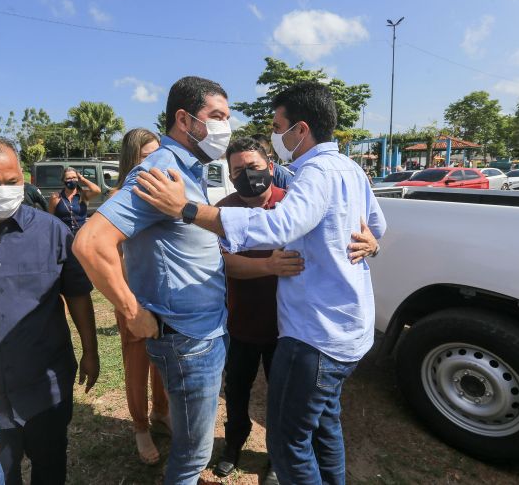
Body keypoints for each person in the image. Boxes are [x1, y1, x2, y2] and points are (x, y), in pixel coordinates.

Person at [131, 81, 385, 485]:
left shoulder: (315, 172)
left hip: (316, 334)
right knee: (323, 423)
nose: (274, 133)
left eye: (278, 125)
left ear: (300, 130)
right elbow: (378, 225)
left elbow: (280, 224)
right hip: (339, 328)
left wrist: (185, 208)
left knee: (288, 442)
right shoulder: (350, 168)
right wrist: (371, 243)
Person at [73, 76, 234, 485]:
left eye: (227, 117)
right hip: (187, 338)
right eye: (216, 117)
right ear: (184, 119)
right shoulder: (159, 170)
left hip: (202, 329)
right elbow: (91, 244)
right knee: (192, 452)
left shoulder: (187, 169)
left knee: (192, 442)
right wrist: (131, 309)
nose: (224, 127)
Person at [0, 134, 100, 485]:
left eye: (12, 181)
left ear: (24, 178)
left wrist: (91, 352)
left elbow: (77, 295)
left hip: (45, 387)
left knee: (50, 468)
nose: (3, 190)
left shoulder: (52, 232)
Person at [213, 137, 304, 485]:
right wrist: (270, 265)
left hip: (289, 328)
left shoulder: (293, 203)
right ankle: (233, 446)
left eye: (252, 167)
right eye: (238, 170)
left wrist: (370, 240)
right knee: (236, 393)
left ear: (269, 164)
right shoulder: (222, 210)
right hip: (241, 325)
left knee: (283, 401)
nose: (247, 175)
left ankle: (278, 457)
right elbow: (226, 264)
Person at [111, 128, 171, 465]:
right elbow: (109, 255)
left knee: (162, 361)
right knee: (137, 363)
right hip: (134, 297)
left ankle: (161, 412)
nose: (157, 162)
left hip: (163, 295)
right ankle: (140, 426)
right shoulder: (120, 198)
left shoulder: (163, 195)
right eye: (149, 156)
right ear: (132, 159)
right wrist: (128, 303)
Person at [49, 166, 101, 234]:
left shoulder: (83, 194)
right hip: (62, 235)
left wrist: (83, 179)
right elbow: (50, 218)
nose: (72, 180)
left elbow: (97, 190)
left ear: (78, 179)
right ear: (63, 180)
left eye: (74, 177)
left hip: (80, 235)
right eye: (68, 178)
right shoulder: (56, 197)